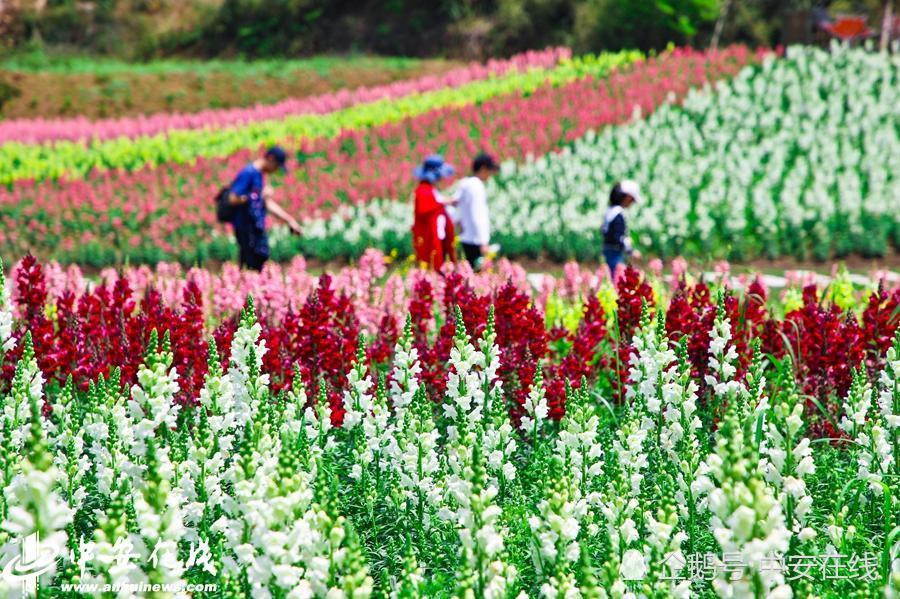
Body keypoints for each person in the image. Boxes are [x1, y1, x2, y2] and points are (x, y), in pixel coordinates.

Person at [228, 146, 302, 271]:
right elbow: (233, 198)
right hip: (246, 230)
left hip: (256, 229)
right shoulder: (248, 173)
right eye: (277, 166)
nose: (275, 170)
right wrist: (253, 196)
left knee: (260, 261)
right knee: (250, 267)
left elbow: (266, 203)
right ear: (271, 159)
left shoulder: (259, 175)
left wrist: (289, 220)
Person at [454, 152, 500, 270]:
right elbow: (477, 215)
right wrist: (483, 242)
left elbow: (456, 205)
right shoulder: (477, 186)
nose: (490, 175)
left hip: (466, 236)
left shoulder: (465, 183)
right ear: (483, 169)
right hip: (476, 240)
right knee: (477, 276)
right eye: (489, 170)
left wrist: (458, 223)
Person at [411, 154, 457, 270]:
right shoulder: (423, 190)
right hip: (428, 239)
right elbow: (424, 209)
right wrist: (443, 203)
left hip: (438, 237)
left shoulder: (432, 190)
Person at [602, 180, 642, 281]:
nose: (632, 203)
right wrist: (630, 251)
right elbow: (618, 237)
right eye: (632, 200)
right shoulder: (618, 214)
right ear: (627, 197)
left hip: (607, 250)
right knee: (617, 279)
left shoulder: (610, 211)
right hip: (615, 253)